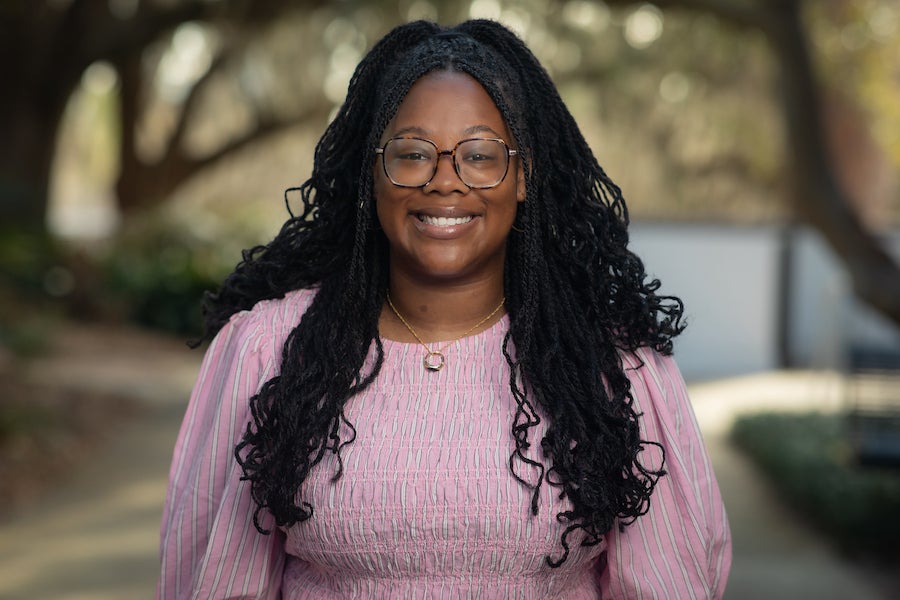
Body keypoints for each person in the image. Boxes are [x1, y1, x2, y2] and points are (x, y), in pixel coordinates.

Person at [157, 19, 731, 599]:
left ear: (524, 175)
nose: (445, 181)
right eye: (413, 153)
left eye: (479, 155)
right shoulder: (269, 351)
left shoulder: (613, 368)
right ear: (372, 174)